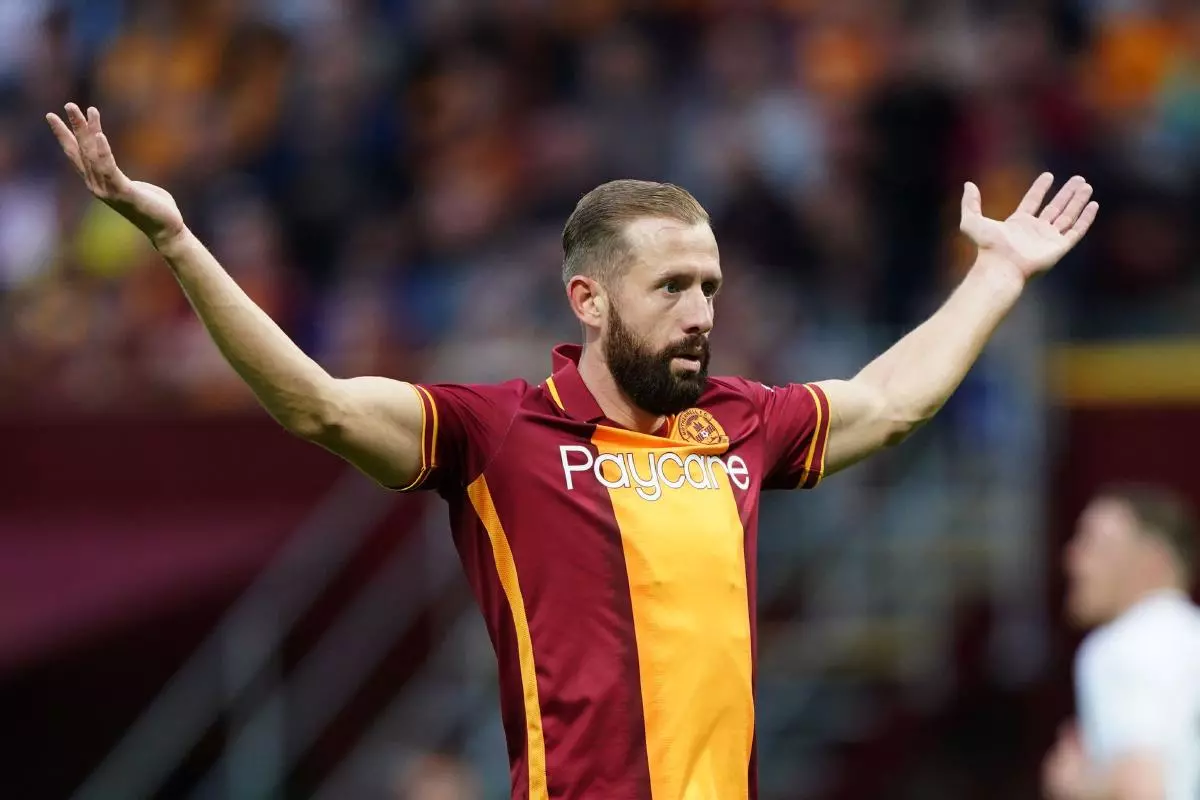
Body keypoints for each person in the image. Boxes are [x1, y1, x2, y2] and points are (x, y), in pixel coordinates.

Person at [47, 102, 1097, 800]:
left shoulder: (740, 420)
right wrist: (178, 243)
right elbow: (318, 404)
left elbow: (885, 400)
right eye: (673, 288)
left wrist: (997, 275)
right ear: (588, 300)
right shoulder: (498, 432)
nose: (701, 313)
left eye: (713, 289)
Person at [1043, 485, 1200, 800]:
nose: (1072, 558)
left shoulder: (1124, 647)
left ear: (1153, 560)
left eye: (1094, 544)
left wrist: (1074, 786)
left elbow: (1142, 792)